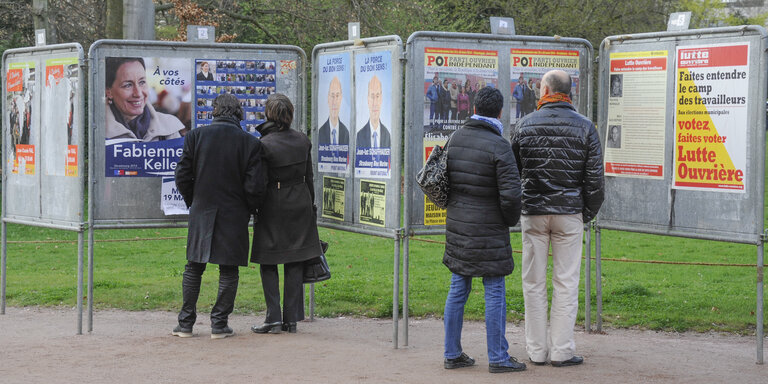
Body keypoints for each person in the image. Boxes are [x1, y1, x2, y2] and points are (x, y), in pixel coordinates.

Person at [512, 70, 604, 367]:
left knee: (533, 283)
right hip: (569, 213)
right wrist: (583, 213)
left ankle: (536, 351)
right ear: (568, 92)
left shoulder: (523, 125)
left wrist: (522, 205)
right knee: (566, 283)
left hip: (534, 212)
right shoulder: (586, 127)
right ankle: (562, 350)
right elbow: (595, 181)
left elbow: (513, 174)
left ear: (546, 89)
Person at [442, 87, 526, 374]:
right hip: (490, 228)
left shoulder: (455, 138)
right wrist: (508, 220)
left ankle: (452, 353)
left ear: (473, 107)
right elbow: (512, 196)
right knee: (494, 290)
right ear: (501, 112)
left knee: (457, 288)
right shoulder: (499, 145)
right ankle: (498, 358)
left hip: (458, 227)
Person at [172, 94, 266, 339]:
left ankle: (185, 324)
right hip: (234, 213)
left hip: (202, 209)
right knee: (229, 269)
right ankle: (219, 324)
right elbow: (254, 186)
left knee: (194, 267)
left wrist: (195, 200)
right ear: (239, 113)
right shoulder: (250, 143)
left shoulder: (195, 137)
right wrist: (249, 208)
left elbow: (182, 174)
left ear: (214, 111)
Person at [251, 94, 323, 334]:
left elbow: (259, 182)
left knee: (267, 260)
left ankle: (273, 317)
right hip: (300, 201)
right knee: (294, 260)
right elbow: (309, 176)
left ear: (269, 114)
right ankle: (290, 319)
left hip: (273, 203)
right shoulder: (303, 140)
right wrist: (310, 205)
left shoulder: (263, 144)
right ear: (289, 114)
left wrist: (255, 207)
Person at [105, 57, 184, 141]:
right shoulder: (97, 129)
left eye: (142, 82)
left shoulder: (169, 126)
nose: (138, 93)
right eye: (128, 85)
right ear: (108, 92)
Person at [356, 75, 391, 148]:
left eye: (377, 96)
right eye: (372, 96)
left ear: (381, 99)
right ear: (368, 99)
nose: (375, 103)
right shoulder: (359, 136)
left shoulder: (387, 135)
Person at [318, 76, 349, 146]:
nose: (334, 101)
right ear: (328, 98)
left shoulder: (346, 133)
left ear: (341, 98)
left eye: (337, 96)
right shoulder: (320, 132)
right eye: (332, 96)